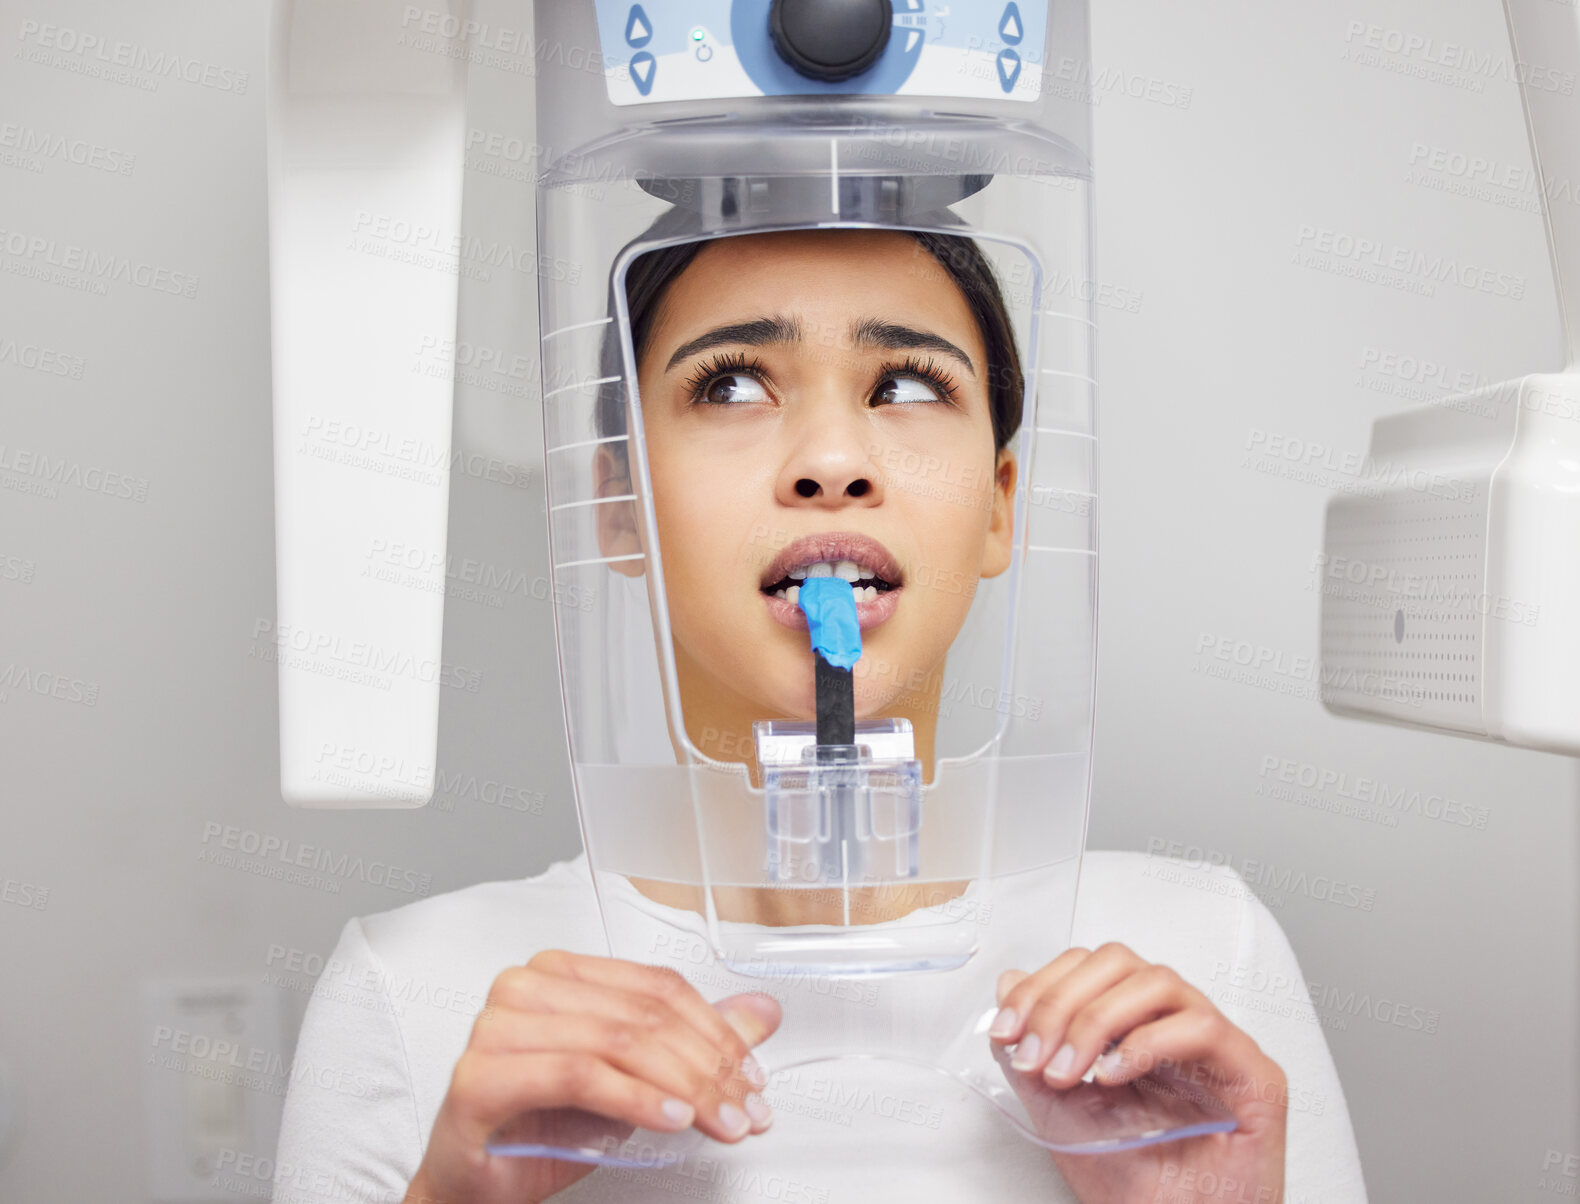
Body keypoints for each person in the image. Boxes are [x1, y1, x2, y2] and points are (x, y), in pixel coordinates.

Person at [274, 228, 1369, 1203]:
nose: (832, 466)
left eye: (904, 386)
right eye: (734, 385)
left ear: (999, 505)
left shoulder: (1198, 970)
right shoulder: (416, 991)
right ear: (617, 507)